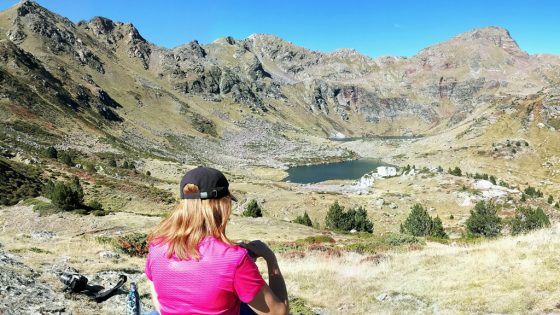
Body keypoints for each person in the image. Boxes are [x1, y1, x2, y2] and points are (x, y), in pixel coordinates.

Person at [144, 166, 289, 315]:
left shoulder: (156, 247)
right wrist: (271, 261)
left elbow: (159, 303)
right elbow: (279, 313)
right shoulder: (234, 259)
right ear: (222, 205)